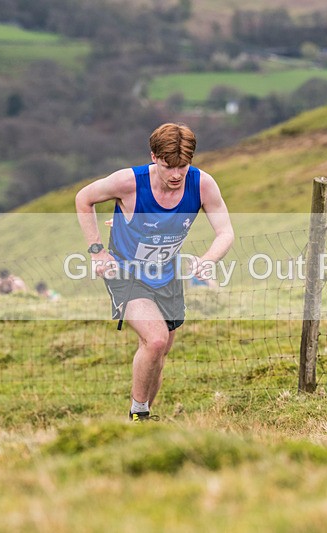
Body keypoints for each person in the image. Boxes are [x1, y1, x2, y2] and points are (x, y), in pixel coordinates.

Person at [75, 122, 234, 422]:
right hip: (126, 273)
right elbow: (83, 198)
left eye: (183, 167)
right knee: (156, 339)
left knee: (158, 354)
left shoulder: (202, 184)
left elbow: (225, 232)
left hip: (168, 276)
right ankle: (139, 414)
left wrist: (209, 259)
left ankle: (144, 416)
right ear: (153, 157)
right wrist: (97, 251)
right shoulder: (129, 182)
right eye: (168, 166)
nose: (176, 175)